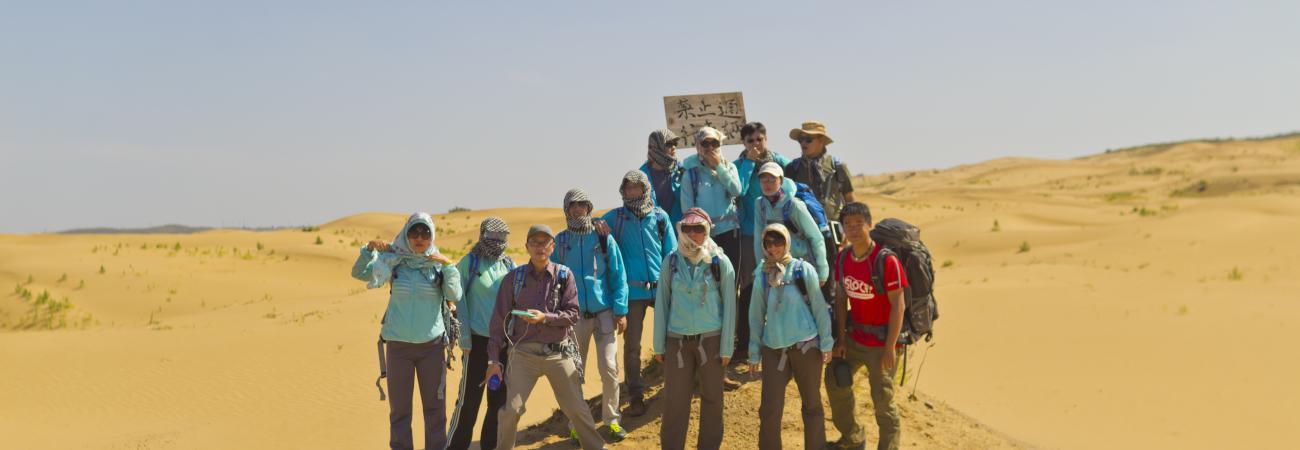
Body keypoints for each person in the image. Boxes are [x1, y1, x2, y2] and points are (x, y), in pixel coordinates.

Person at [486, 224, 607, 450]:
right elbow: (498, 322)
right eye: (535, 242)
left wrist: (545, 318)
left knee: (576, 409)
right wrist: (493, 361)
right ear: (527, 247)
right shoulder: (514, 279)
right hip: (523, 355)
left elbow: (573, 314)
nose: (540, 247)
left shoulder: (564, 275)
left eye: (545, 243)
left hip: (558, 353)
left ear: (552, 247)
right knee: (511, 410)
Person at [350, 213, 461, 450]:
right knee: (400, 411)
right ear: (406, 234)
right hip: (398, 349)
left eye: (425, 233)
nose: (419, 238)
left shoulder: (437, 266)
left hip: (432, 348)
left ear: (432, 236)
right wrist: (369, 249)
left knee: (435, 411)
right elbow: (359, 273)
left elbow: (455, 295)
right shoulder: (394, 262)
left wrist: (448, 265)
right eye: (414, 232)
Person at [652, 207, 737, 450]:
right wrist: (659, 345)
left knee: (712, 400)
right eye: (687, 228)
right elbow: (662, 303)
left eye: (698, 228)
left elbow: (730, 306)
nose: (692, 233)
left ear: (707, 231)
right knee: (675, 402)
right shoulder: (671, 261)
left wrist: (727, 348)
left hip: (711, 340)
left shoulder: (720, 262)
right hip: (676, 341)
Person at [595, 171, 677, 418]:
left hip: (661, 290)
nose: (633, 192)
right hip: (632, 294)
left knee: (675, 336)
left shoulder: (660, 217)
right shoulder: (617, 218)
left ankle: (676, 386)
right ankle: (636, 396)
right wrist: (600, 231)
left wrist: (672, 286)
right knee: (632, 347)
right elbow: (595, 229)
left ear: (646, 189)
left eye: (637, 188)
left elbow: (671, 253)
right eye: (628, 188)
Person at [826, 202, 906, 450]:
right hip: (855, 338)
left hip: (883, 344)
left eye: (858, 223)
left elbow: (898, 306)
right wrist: (840, 339)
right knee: (834, 379)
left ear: (869, 224)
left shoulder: (886, 260)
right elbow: (841, 299)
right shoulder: (842, 258)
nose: (852, 229)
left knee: (883, 400)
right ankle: (853, 438)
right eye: (847, 225)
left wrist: (891, 347)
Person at [747, 224, 834, 450]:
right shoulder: (762, 275)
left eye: (778, 242)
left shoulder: (802, 270)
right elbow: (756, 316)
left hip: (807, 347)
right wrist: (753, 353)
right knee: (769, 409)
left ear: (787, 243)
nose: (773, 247)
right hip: (774, 349)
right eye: (768, 243)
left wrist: (826, 343)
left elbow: (819, 309)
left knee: (812, 406)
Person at [552, 188, 630, 441]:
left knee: (609, 368)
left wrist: (621, 311)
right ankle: (578, 425)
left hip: (605, 313)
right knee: (575, 372)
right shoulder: (560, 242)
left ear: (588, 207)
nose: (577, 209)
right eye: (572, 205)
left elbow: (618, 275)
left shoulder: (603, 238)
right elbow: (550, 280)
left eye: (582, 205)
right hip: (574, 319)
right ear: (566, 209)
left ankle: (612, 421)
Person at [678, 126, 744, 389]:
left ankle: (721, 365)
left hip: (730, 235)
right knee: (703, 293)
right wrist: (695, 237)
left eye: (714, 143)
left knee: (728, 293)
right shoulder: (690, 173)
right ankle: (698, 367)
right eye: (705, 143)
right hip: (703, 240)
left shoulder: (728, 166)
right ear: (697, 145)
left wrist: (720, 168)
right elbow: (687, 209)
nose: (710, 148)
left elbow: (737, 190)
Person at [447, 217, 515, 450]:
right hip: (476, 341)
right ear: (482, 235)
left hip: (504, 343)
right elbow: (458, 300)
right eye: (491, 236)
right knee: (468, 402)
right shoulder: (470, 262)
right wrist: (464, 337)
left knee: (498, 402)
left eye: (501, 236)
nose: (496, 241)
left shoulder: (508, 264)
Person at [731, 121, 795, 366]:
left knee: (783, 284)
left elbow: (794, 185)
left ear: (766, 139)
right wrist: (748, 163)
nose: (756, 144)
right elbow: (739, 190)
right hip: (749, 234)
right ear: (744, 143)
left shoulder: (781, 162)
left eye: (759, 139)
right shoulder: (739, 165)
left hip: (780, 235)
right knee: (750, 286)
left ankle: (783, 338)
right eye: (750, 141)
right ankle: (745, 342)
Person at [751, 162, 829, 284]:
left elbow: (816, 237)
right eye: (763, 179)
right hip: (775, 265)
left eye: (772, 179)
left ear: (781, 181)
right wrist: (761, 268)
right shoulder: (760, 204)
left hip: (801, 264)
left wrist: (822, 271)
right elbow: (758, 239)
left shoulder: (794, 205)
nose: (767, 184)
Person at [640, 129, 685, 223]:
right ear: (656, 146)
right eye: (668, 144)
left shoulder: (681, 171)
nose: (673, 147)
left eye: (675, 143)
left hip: (681, 229)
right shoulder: (641, 177)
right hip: (655, 229)